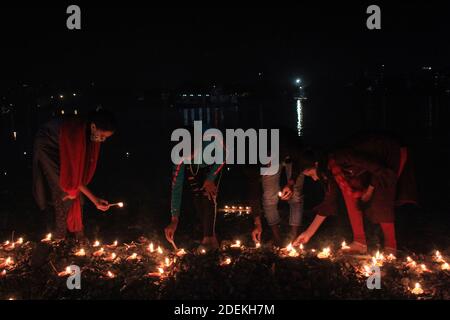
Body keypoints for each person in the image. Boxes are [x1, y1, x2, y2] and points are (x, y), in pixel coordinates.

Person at [293, 135, 417, 255]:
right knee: (350, 195)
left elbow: (376, 167)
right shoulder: (331, 170)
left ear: (316, 164)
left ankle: (391, 247)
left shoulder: (342, 157)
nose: (314, 179)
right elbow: (329, 201)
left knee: (380, 200)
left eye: (311, 174)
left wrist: (370, 189)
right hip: (373, 167)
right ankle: (360, 242)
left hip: (388, 154)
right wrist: (308, 233)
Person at [33, 109, 117, 241]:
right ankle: (60, 234)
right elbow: (72, 174)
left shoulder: (89, 132)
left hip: (62, 142)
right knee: (63, 187)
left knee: (74, 188)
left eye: (106, 138)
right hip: (48, 145)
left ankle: (78, 231)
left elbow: (79, 172)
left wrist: (94, 199)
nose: (103, 140)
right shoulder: (75, 133)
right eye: (102, 136)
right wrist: (90, 197)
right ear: (94, 126)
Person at [164, 139, 225, 251]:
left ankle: (209, 240)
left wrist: (211, 178)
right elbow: (176, 188)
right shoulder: (180, 159)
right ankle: (211, 237)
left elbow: (224, 154)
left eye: (190, 155)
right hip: (196, 169)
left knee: (208, 193)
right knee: (197, 196)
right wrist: (174, 220)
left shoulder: (209, 142)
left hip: (213, 163)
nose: (188, 158)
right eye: (185, 157)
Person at [261, 129, 304, 246]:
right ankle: (277, 237)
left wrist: (291, 183)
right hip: (271, 150)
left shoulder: (294, 148)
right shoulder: (264, 154)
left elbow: (299, 163)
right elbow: (255, 188)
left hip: (294, 156)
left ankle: (295, 237)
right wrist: (256, 221)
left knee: (296, 193)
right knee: (268, 196)